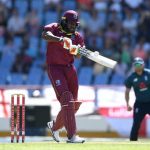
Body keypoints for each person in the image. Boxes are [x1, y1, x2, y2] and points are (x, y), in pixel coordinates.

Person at [42, 10, 85, 143]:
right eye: (71, 24)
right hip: (55, 68)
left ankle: (55, 126)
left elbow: (78, 56)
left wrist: (77, 50)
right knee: (67, 98)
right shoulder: (54, 28)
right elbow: (45, 35)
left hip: (70, 69)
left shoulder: (77, 36)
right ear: (64, 21)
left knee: (74, 104)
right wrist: (61, 39)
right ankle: (72, 136)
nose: (73, 26)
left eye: (75, 24)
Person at [124, 57, 150, 141]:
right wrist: (128, 104)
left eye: (140, 64)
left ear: (143, 65)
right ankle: (133, 142)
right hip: (139, 104)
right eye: (136, 64)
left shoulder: (148, 73)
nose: (138, 66)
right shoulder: (131, 77)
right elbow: (127, 91)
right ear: (133, 66)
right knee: (136, 124)